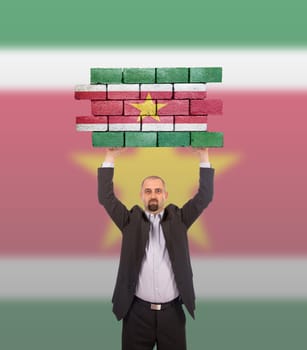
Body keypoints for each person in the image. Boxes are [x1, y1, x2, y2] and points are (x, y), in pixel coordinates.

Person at [98, 147, 215, 350]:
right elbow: (106, 198)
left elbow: (204, 197)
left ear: (166, 195)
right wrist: (110, 157)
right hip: (136, 314)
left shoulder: (180, 219)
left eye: (158, 191)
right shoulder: (129, 220)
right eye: (148, 191)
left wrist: (203, 156)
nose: (153, 195)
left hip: (173, 315)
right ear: (141, 195)